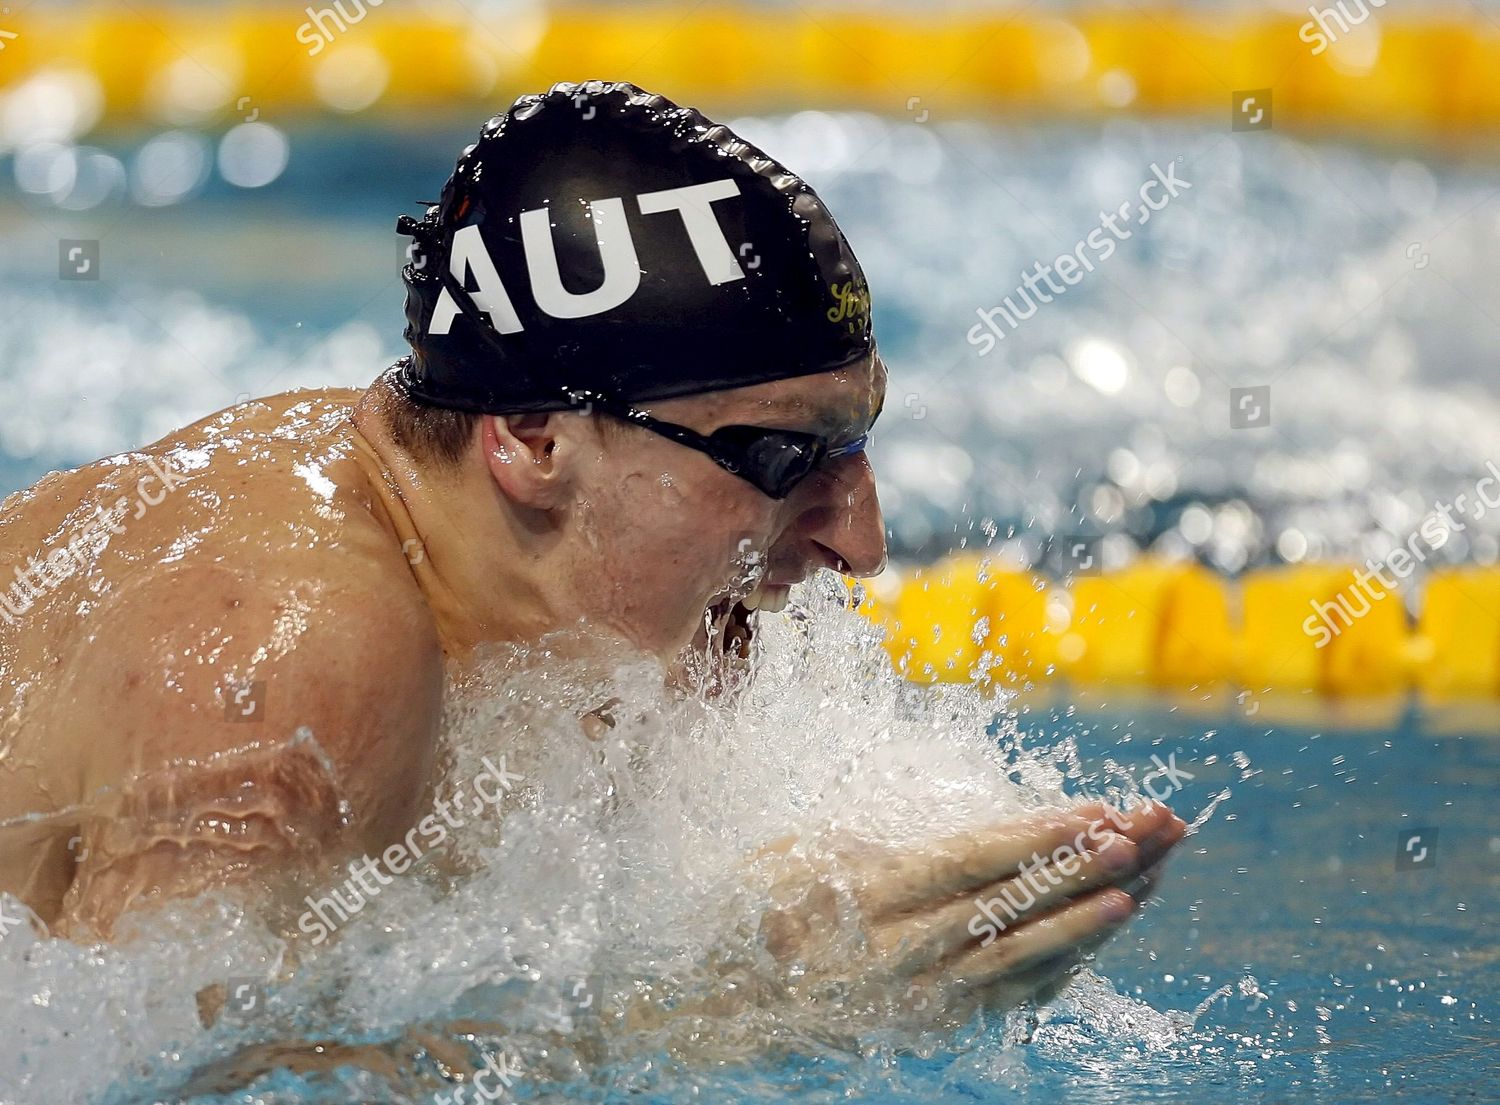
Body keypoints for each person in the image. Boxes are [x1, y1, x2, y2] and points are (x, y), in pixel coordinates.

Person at [0, 81, 1183, 1011]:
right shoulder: (287, 660)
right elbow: (153, 1072)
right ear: (530, 436)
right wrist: (733, 1012)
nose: (861, 540)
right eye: (782, 459)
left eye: (857, 439)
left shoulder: (628, 606)